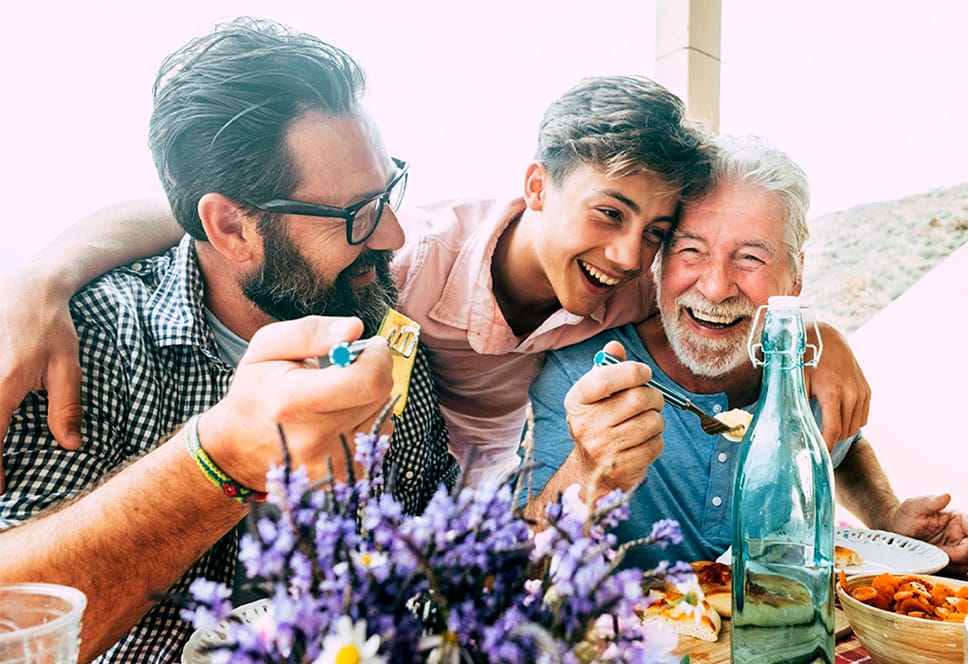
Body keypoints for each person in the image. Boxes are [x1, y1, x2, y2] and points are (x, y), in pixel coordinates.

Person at [0, 79, 872, 489]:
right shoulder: (404, 258)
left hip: (506, 479)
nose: (625, 252)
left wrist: (816, 333)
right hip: (408, 468)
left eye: (652, 232)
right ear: (536, 188)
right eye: (608, 214)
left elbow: (722, 294)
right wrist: (44, 274)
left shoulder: (636, 279)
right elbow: (221, 220)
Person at [0, 19, 457, 662]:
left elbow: (435, 570)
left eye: (388, 192)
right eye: (356, 214)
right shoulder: (88, 341)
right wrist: (218, 460)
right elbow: (16, 625)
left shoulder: (378, 323)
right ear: (232, 228)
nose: (393, 237)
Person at [523, 136, 968, 573]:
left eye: (750, 258)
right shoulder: (582, 375)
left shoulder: (804, 372)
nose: (716, 288)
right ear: (658, 263)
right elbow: (517, 563)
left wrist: (887, 518)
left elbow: (840, 448)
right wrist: (590, 471)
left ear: (795, 277)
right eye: (691, 250)